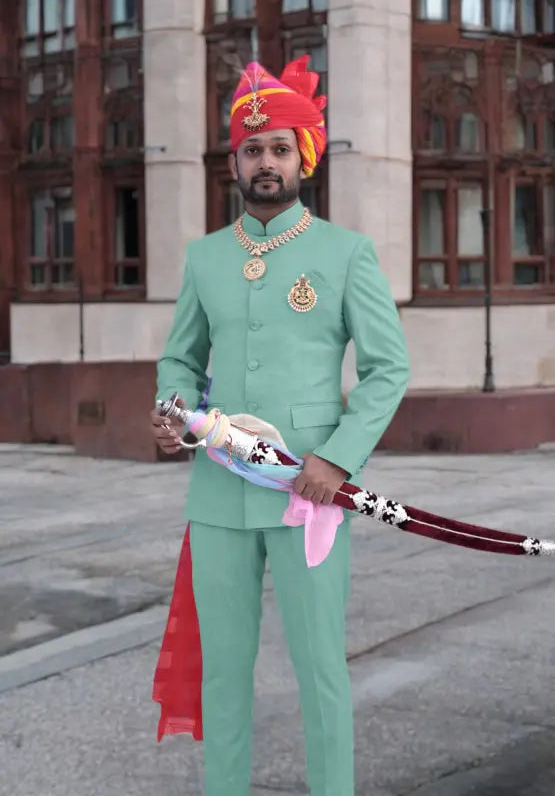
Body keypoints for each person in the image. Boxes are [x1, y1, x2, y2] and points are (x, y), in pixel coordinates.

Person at [150, 55, 410, 796]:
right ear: (234, 161)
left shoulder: (345, 253)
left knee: (320, 669)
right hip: (218, 494)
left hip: (307, 492)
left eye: (279, 149)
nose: (266, 162)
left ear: (304, 158)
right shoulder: (205, 258)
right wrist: (171, 410)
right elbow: (180, 359)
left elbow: (388, 368)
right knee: (224, 674)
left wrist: (338, 458)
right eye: (252, 149)